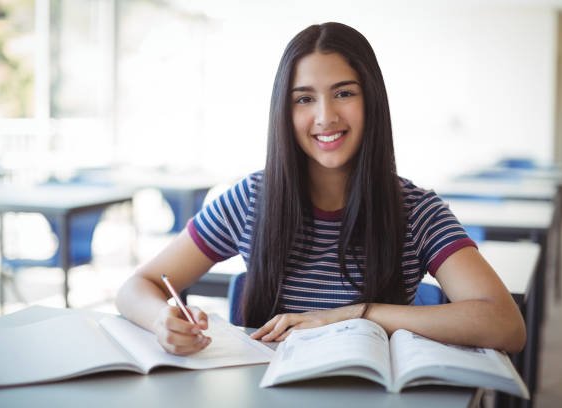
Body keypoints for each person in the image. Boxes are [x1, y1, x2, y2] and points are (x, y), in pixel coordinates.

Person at [116, 22, 526, 356]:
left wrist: (359, 314)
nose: (325, 116)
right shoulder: (251, 199)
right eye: (304, 99)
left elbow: (505, 324)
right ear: (283, 110)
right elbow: (138, 286)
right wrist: (160, 321)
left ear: (372, 101)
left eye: (344, 93)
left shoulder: (416, 210)